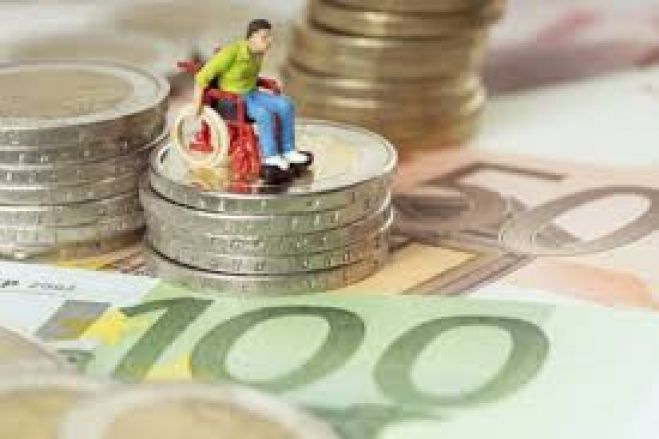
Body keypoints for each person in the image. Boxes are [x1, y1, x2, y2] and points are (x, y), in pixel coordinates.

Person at [193, 19, 311, 180]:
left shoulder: (257, 54)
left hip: (252, 94)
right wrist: (197, 102)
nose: (269, 41)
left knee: (285, 104)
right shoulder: (231, 53)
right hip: (231, 101)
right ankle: (270, 157)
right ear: (252, 37)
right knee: (264, 114)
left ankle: (288, 150)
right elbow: (202, 77)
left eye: (270, 37)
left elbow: (250, 79)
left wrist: (265, 84)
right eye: (265, 37)